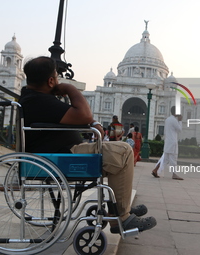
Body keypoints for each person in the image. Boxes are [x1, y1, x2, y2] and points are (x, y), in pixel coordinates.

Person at [19, 56, 156, 234]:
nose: (60, 82)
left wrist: (90, 122)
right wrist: (69, 88)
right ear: (51, 80)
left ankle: (119, 209)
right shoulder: (40, 101)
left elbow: (78, 119)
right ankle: (120, 217)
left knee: (116, 155)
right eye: (57, 78)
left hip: (60, 153)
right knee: (123, 151)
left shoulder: (34, 98)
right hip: (62, 157)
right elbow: (84, 115)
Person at [161, 106, 184, 180]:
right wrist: (180, 120)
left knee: (165, 159)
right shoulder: (174, 120)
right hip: (172, 142)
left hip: (168, 141)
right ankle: (174, 174)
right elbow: (179, 129)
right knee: (173, 158)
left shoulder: (167, 119)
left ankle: (156, 170)